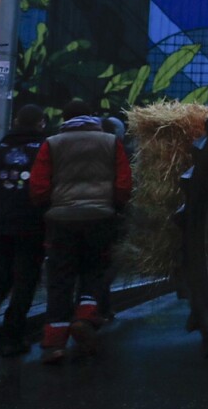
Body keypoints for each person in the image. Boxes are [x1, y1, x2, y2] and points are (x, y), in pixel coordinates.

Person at [29, 99, 132, 365]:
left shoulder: (52, 144)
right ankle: (85, 316)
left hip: (61, 219)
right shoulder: (110, 142)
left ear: (64, 118)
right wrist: (116, 206)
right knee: (95, 269)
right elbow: (123, 181)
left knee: (60, 278)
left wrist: (46, 208)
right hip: (100, 217)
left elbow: (39, 185)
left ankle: (54, 344)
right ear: (91, 116)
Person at [0, 104, 48, 356]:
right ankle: (12, 337)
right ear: (40, 124)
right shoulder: (45, 150)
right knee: (25, 280)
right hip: (32, 226)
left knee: (1, 276)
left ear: (15, 122)